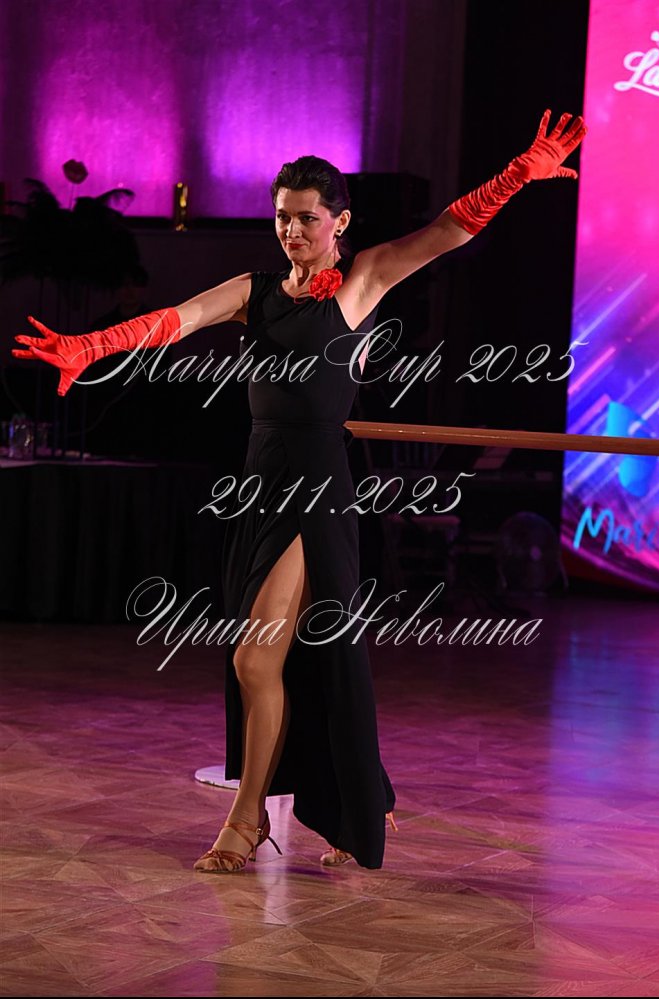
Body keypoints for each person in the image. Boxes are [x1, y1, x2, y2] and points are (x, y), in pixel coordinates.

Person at [12, 109, 588, 872]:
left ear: (339, 221)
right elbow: (174, 321)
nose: (291, 230)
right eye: (283, 216)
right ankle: (348, 793)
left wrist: (517, 174)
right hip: (259, 486)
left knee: (257, 663)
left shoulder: (362, 281)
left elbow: (445, 232)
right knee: (292, 661)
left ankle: (247, 818)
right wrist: (90, 346)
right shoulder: (255, 291)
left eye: (307, 218)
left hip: (316, 491)